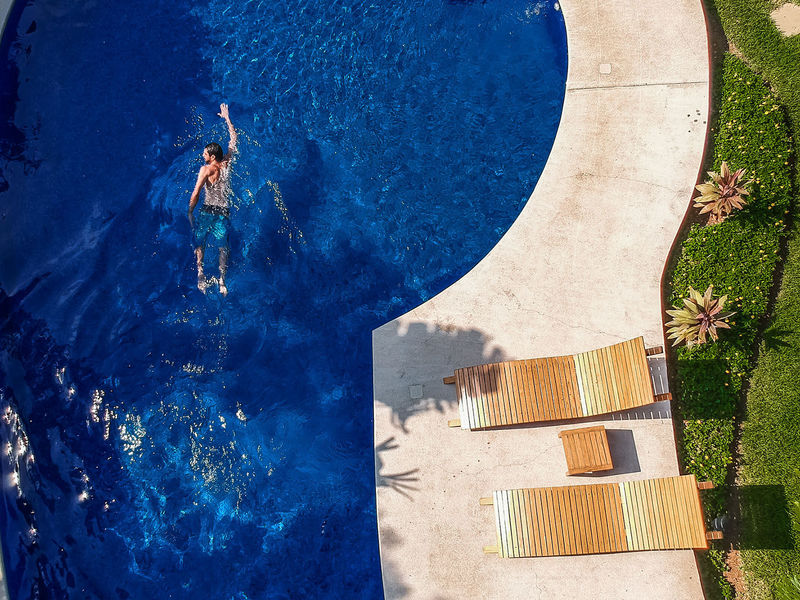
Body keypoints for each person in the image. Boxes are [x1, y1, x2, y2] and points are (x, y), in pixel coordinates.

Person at [188, 103, 238, 295]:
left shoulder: (206, 169)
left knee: (200, 242)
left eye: (205, 153)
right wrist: (227, 118)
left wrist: (190, 212)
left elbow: (196, 193)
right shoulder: (227, 162)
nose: (203, 155)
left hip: (208, 210)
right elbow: (234, 139)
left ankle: (200, 274)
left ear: (211, 156)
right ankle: (222, 281)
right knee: (223, 247)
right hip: (224, 212)